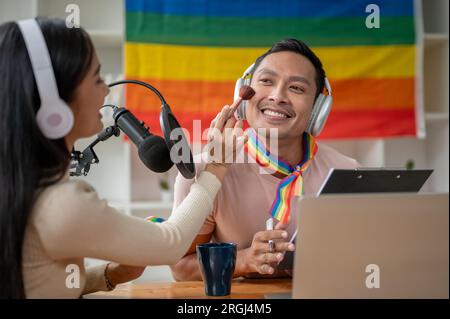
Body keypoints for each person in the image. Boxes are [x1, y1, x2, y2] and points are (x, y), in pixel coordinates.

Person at [0, 18, 243, 298]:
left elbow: (38, 279)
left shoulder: (23, 186)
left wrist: (110, 274)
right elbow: (172, 242)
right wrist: (218, 166)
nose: (106, 91)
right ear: (56, 104)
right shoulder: (60, 204)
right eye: (97, 78)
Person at [171, 38, 359, 281]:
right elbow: (181, 268)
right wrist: (244, 260)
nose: (277, 96)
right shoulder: (203, 172)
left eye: (297, 88)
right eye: (266, 81)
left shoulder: (346, 171)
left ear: (318, 110)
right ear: (244, 92)